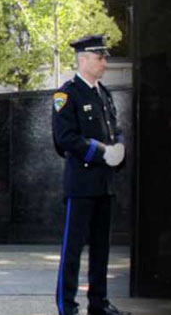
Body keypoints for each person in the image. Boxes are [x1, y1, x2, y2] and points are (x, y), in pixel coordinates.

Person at [52, 35, 130, 315]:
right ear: (83, 59)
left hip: (104, 183)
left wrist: (119, 146)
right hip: (81, 184)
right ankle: (67, 307)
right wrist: (101, 153)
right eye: (100, 58)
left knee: (101, 249)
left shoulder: (104, 94)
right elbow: (65, 139)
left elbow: (113, 128)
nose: (105, 63)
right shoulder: (67, 94)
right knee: (73, 250)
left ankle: (99, 303)